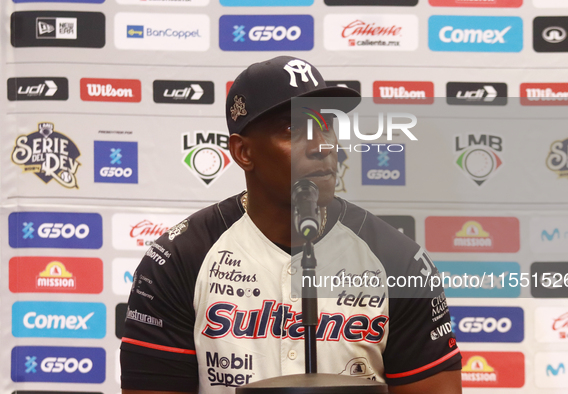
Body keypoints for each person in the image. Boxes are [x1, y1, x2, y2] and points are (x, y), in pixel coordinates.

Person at [120, 56, 462, 394]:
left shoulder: (398, 260)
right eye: (291, 129)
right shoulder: (179, 258)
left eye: (325, 124)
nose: (321, 145)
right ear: (243, 152)